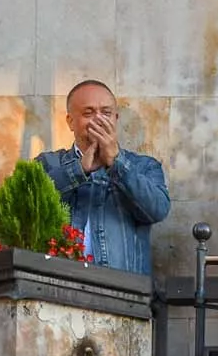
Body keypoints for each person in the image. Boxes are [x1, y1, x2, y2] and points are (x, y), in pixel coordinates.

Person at [35, 79, 170, 276]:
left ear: (115, 119)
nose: (98, 119)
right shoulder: (48, 163)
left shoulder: (144, 166)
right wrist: (79, 170)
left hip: (122, 295)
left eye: (106, 113)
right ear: (70, 121)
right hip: (58, 289)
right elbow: (28, 206)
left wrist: (117, 163)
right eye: (88, 113)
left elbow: (157, 210)